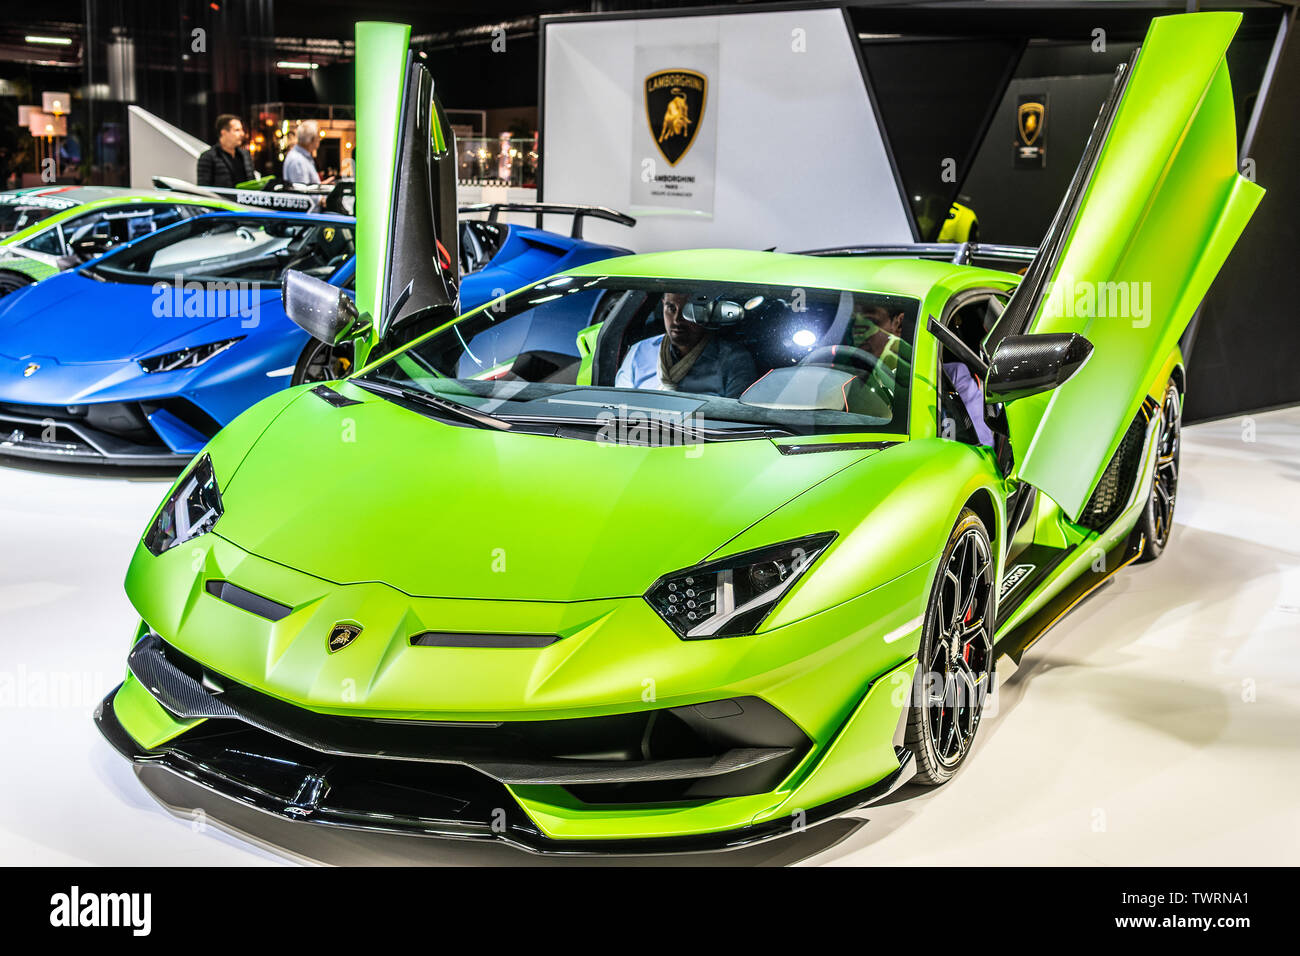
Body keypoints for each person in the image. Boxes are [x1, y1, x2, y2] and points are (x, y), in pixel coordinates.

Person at [615, 292, 756, 398]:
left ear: (706, 311)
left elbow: (736, 420)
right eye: (671, 308)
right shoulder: (639, 352)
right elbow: (618, 407)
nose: (677, 319)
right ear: (662, 305)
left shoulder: (733, 360)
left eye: (688, 311)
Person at [196, 114, 254, 188]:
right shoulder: (208, 157)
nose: (242, 134)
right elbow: (203, 188)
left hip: (244, 199)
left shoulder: (245, 155)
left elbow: (252, 181)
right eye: (237, 130)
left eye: (242, 130)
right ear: (223, 132)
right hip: (221, 199)